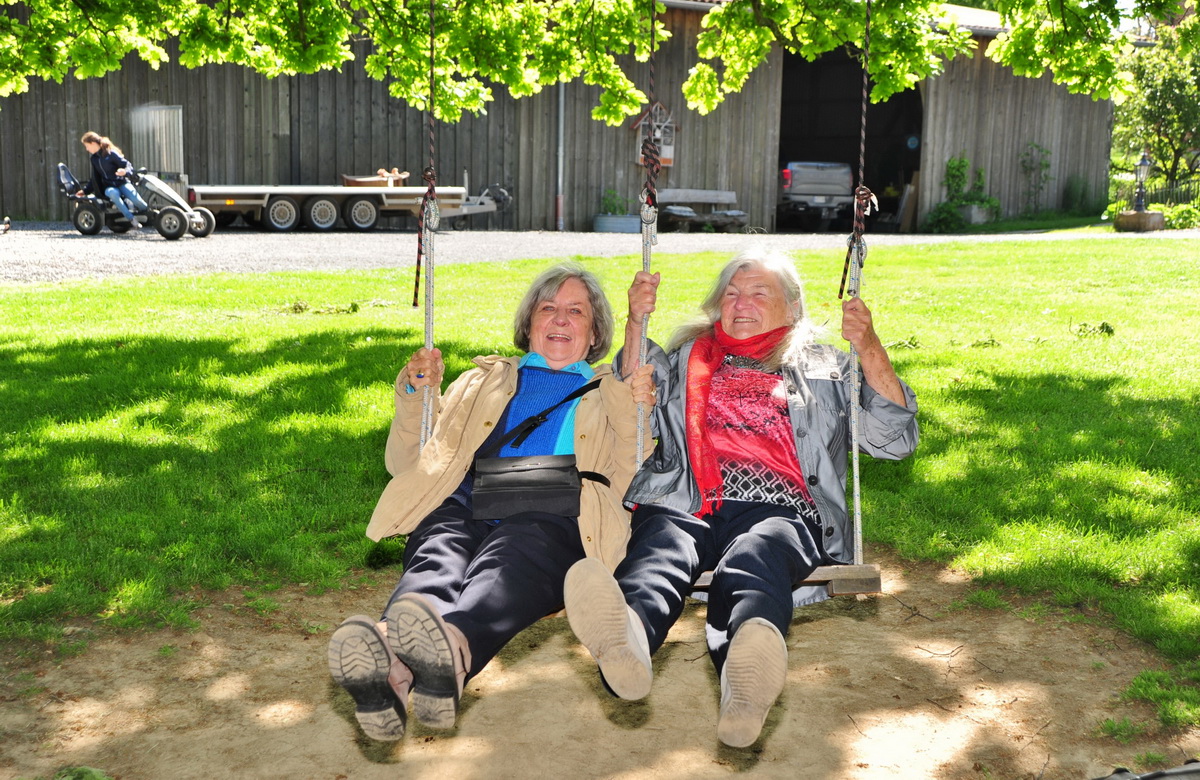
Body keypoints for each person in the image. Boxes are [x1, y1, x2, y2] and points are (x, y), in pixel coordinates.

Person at [563, 249, 919, 747]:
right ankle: (629, 641)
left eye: (758, 292)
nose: (740, 303)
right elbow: (627, 394)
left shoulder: (825, 367)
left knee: (759, 554)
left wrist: (870, 348)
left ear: (793, 308)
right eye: (730, 293)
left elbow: (895, 440)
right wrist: (635, 322)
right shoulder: (688, 357)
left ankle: (746, 676)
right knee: (661, 550)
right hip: (686, 498)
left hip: (782, 508)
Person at [328, 262, 656, 741]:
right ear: (528, 326)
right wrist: (415, 397)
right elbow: (412, 464)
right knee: (435, 554)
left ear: (594, 335)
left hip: (555, 508)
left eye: (576, 312)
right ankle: (390, 669)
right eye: (548, 309)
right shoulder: (483, 380)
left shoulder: (613, 393)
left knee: (511, 558)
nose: (560, 319)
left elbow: (635, 468)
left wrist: (634, 392)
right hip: (468, 496)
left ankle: (453, 652)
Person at [76, 131, 150, 227]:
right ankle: (131, 219)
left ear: (93, 144)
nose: (86, 149)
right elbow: (95, 177)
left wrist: (125, 172)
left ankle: (149, 214)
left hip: (122, 182)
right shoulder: (94, 159)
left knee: (136, 199)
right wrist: (85, 191)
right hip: (109, 186)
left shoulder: (111, 154)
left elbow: (127, 165)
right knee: (113, 193)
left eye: (87, 146)